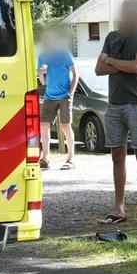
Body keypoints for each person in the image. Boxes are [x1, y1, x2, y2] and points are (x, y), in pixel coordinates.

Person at [95, 0, 137, 224]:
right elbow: (99, 69)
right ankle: (118, 208)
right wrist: (118, 63)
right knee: (117, 155)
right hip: (115, 103)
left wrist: (111, 60)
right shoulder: (112, 37)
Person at [36, 28, 77, 170]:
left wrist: (70, 93)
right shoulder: (43, 56)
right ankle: (45, 158)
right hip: (49, 96)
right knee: (43, 125)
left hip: (65, 95)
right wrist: (41, 73)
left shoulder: (64, 53)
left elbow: (75, 73)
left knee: (65, 126)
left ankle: (70, 159)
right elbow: (41, 78)